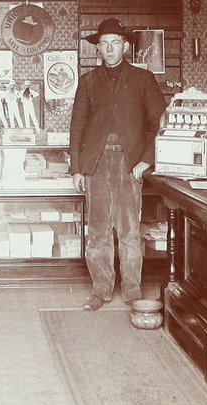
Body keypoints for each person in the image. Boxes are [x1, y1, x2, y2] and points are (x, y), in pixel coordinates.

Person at [69, 17, 167, 312]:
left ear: (125, 46)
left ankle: (132, 291)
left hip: (129, 162)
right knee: (97, 231)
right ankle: (100, 290)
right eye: (104, 44)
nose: (110, 49)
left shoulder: (143, 79)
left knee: (129, 230)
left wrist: (146, 160)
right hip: (96, 163)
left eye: (115, 43)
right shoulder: (88, 81)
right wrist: (77, 168)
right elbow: (77, 127)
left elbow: (160, 123)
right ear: (97, 48)